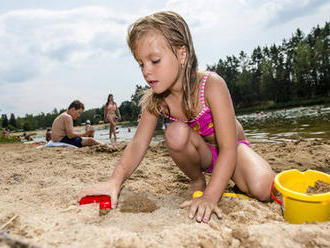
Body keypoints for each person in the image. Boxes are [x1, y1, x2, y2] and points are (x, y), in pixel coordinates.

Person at [80, 11, 274, 223]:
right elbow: (138, 144)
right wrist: (115, 181)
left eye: (154, 61)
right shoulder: (156, 101)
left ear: (182, 54)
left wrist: (211, 198)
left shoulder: (211, 85)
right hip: (201, 156)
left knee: (264, 189)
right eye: (141, 64)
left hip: (232, 152)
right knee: (175, 133)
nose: (146, 71)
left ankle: (222, 184)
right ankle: (198, 181)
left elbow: (228, 148)